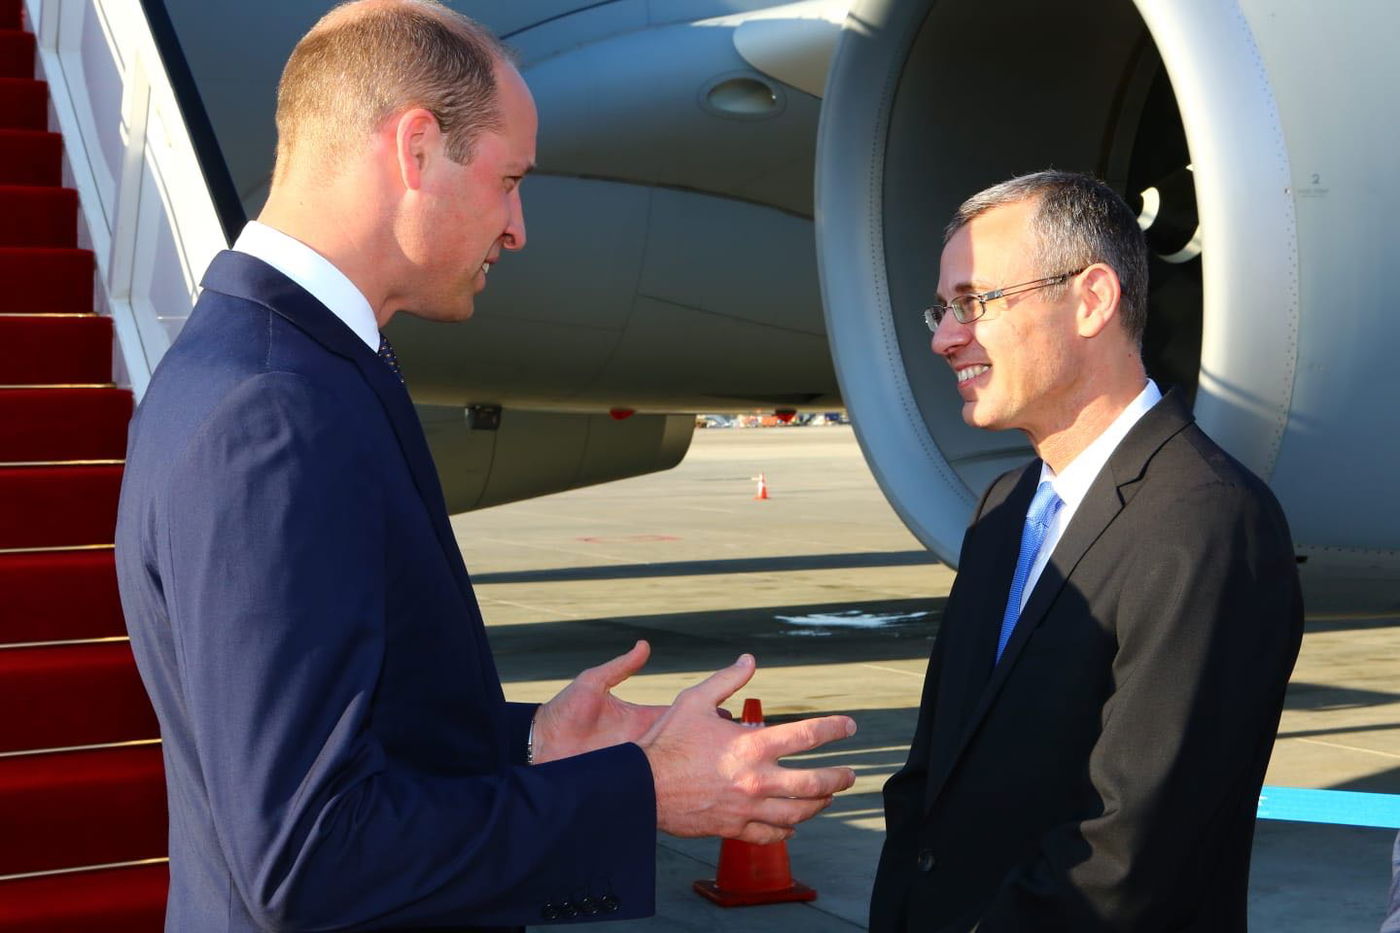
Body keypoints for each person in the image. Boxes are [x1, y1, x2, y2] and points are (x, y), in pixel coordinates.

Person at [114, 2, 856, 929]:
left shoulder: (270, 364)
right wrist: (643, 793)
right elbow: (308, 856)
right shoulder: (275, 411)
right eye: (509, 180)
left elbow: (362, 743)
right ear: (416, 149)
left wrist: (537, 740)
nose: (518, 228)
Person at [869, 171, 1302, 932]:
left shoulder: (1206, 521)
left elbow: (1128, 852)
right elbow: (928, 783)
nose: (942, 337)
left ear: (1092, 299)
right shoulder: (1004, 509)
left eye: (974, 302)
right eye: (942, 308)